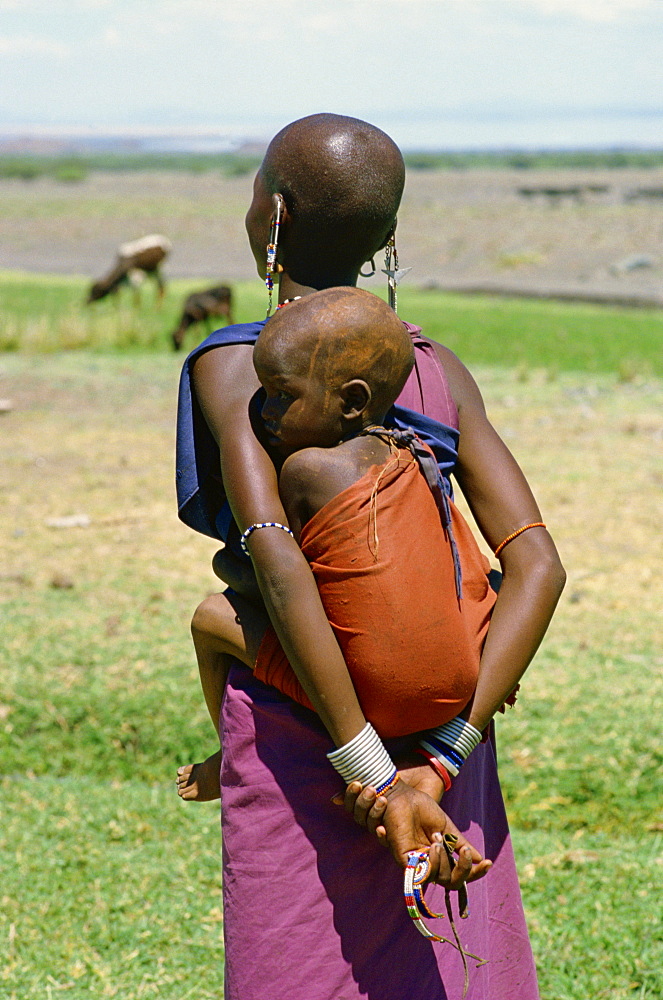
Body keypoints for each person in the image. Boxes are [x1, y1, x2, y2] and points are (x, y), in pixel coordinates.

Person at [175, 113, 566, 1000]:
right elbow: (537, 563)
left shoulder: (238, 369)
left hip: (306, 729)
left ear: (269, 217)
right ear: (387, 239)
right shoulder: (437, 366)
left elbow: (275, 567)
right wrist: (440, 757)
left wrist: (370, 772)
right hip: (443, 734)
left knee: (300, 963)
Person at [177, 286, 500, 794]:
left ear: (352, 401)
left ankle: (230, 757)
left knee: (212, 617)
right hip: (460, 688)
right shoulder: (418, 459)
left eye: (282, 394)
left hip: (382, 704)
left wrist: (231, 567)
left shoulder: (306, 473)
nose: (263, 409)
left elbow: (285, 587)